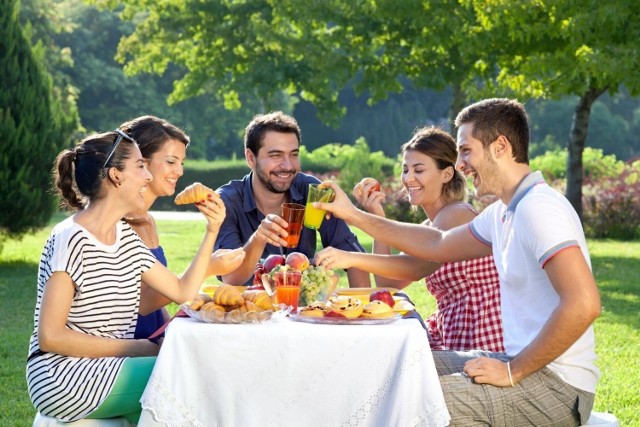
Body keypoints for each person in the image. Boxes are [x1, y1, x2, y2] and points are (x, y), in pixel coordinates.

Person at [314, 98, 601, 426]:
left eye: (466, 150)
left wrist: (512, 370)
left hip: (556, 387)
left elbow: (584, 303)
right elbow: (437, 243)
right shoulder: (502, 212)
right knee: (391, 371)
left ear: (500, 147)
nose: (461, 164)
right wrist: (354, 215)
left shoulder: (538, 208)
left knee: (411, 404)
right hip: (520, 363)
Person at [26, 129, 225, 423]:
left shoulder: (125, 238)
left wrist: (212, 230)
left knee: (186, 378)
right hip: (62, 377)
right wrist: (140, 348)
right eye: (140, 166)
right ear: (116, 176)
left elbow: (181, 291)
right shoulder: (71, 239)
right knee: (189, 380)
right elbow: (50, 337)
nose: (147, 177)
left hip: (109, 368)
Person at [317, 126, 503, 352]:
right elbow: (388, 284)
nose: (409, 178)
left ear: (446, 173)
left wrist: (350, 257)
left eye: (419, 170)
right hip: (454, 334)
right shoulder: (430, 226)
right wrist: (377, 216)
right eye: (405, 170)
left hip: (482, 340)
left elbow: (415, 268)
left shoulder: (458, 214)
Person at [119, 116, 245, 342]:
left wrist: (170, 330)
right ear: (140, 162)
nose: (179, 171)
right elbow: (143, 304)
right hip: (128, 348)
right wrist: (207, 268)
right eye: (170, 162)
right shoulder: (120, 222)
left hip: (152, 339)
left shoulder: (147, 220)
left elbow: (156, 304)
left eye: (182, 162)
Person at [215, 111, 371, 287]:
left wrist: (361, 308)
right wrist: (259, 238)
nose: (288, 166)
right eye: (276, 155)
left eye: (294, 154)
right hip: (248, 310)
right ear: (251, 158)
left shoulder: (311, 191)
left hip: (302, 310)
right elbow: (231, 278)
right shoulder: (227, 201)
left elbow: (355, 258)